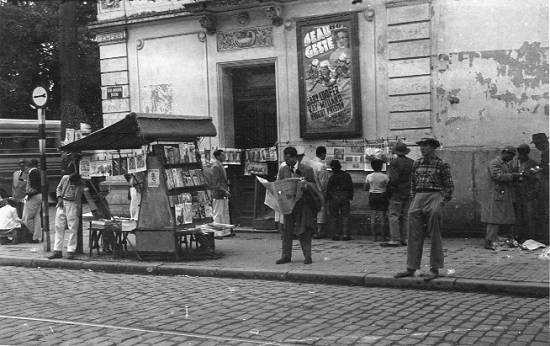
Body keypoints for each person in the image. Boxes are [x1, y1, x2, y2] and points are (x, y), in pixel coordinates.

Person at [395, 137, 454, 281]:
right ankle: (411, 267)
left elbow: (449, 186)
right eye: (421, 146)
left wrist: (441, 201)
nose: (422, 149)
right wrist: (414, 198)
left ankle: (435, 268)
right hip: (419, 197)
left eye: (425, 146)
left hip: (435, 195)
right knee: (413, 234)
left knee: (434, 234)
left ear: (433, 147)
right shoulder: (417, 163)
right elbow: (413, 184)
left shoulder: (442, 164)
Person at [276, 146, 318, 265]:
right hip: (288, 204)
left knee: (304, 230)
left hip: (302, 204)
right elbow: (279, 183)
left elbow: (314, 186)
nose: (286, 161)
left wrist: (306, 185)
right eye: (285, 159)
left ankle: (307, 256)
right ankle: (286, 256)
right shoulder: (283, 170)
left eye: (288, 158)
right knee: (286, 230)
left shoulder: (307, 169)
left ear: (295, 157)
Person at [481, 146, 522, 250]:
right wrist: (514, 176)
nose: (512, 158)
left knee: (505, 219)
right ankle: (489, 241)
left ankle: (501, 241)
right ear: (504, 153)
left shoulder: (505, 164)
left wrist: (517, 177)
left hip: (503, 195)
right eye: (511, 155)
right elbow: (497, 176)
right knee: (494, 219)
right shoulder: (495, 163)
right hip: (496, 195)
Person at [48, 164, 85, 260]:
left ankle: (70, 250)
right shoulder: (65, 178)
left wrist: (77, 209)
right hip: (63, 202)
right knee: (58, 226)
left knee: (73, 228)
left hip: (72, 204)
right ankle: (57, 250)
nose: (72, 183)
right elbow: (58, 188)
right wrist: (59, 198)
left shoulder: (81, 183)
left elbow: (79, 198)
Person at [383, 142, 414, 247]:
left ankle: (395, 239)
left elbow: (394, 179)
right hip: (408, 191)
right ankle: (406, 239)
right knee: (405, 216)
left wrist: (389, 190)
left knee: (394, 215)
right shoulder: (412, 162)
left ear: (396, 152)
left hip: (397, 192)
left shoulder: (395, 163)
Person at [510, 144, 539, 241]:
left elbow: (537, 178)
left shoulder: (534, 164)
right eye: (520, 152)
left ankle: (530, 237)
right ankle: (518, 236)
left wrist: (529, 177)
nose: (521, 155)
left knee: (529, 216)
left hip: (528, 193)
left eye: (523, 153)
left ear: (527, 153)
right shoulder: (514, 163)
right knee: (517, 216)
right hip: (517, 193)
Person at [326, 160, 354, 241]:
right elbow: (350, 187)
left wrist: (328, 198)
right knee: (345, 216)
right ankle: (345, 234)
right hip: (345, 197)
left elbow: (329, 189)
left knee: (334, 216)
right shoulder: (347, 175)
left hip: (334, 197)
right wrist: (350, 197)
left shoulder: (332, 177)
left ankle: (336, 234)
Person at [364, 158, 389, 242]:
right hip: (382, 195)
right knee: (382, 217)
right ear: (381, 166)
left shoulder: (369, 176)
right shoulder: (385, 176)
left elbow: (365, 188)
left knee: (373, 217)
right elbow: (388, 187)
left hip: (372, 196)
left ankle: (374, 237)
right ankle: (382, 237)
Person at [310, 146, 331, 239]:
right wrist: (324, 191)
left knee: (311, 210)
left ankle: (312, 230)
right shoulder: (321, 166)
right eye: (325, 154)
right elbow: (323, 182)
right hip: (319, 190)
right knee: (321, 210)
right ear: (323, 154)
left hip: (309, 189)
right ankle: (319, 231)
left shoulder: (309, 164)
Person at [531, 133, 549, 242]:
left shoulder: (547, 153)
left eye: (537, 144)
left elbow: (547, 168)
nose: (536, 146)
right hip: (546, 181)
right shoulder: (545, 153)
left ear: (543, 143)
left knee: (545, 208)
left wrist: (539, 170)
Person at [22, 159, 42, 243]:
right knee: (37, 218)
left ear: (27, 166)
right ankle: (37, 237)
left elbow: (33, 188)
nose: (24, 170)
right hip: (39, 196)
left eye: (24, 168)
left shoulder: (32, 172)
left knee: (26, 219)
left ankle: (35, 234)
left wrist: (28, 196)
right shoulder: (39, 171)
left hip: (33, 197)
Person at [211, 149, 230, 224]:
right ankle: (218, 232)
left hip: (223, 192)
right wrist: (224, 191)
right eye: (222, 155)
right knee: (218, 213)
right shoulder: (216, 167)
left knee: (224, 212)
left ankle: (225, 231)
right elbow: (215, 182)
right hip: (218, 193)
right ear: (218, 156)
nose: (224, 157)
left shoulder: (220, 165)